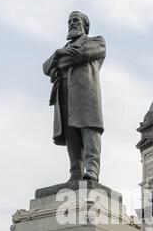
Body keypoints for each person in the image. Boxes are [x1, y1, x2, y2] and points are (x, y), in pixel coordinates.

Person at [43, 11, 106, 182]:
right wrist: (58, 55)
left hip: (86, 94)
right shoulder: (62, 50)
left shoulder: (97, 41)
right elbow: (45, 67)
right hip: (63, 94)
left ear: (85, 26)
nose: (71, 23)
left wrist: (59, 57)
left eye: (76, 20)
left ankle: (92, 170)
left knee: (89, 130)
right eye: (69, 21)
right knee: (71, 135)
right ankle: (75, 172)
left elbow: (82, 55)